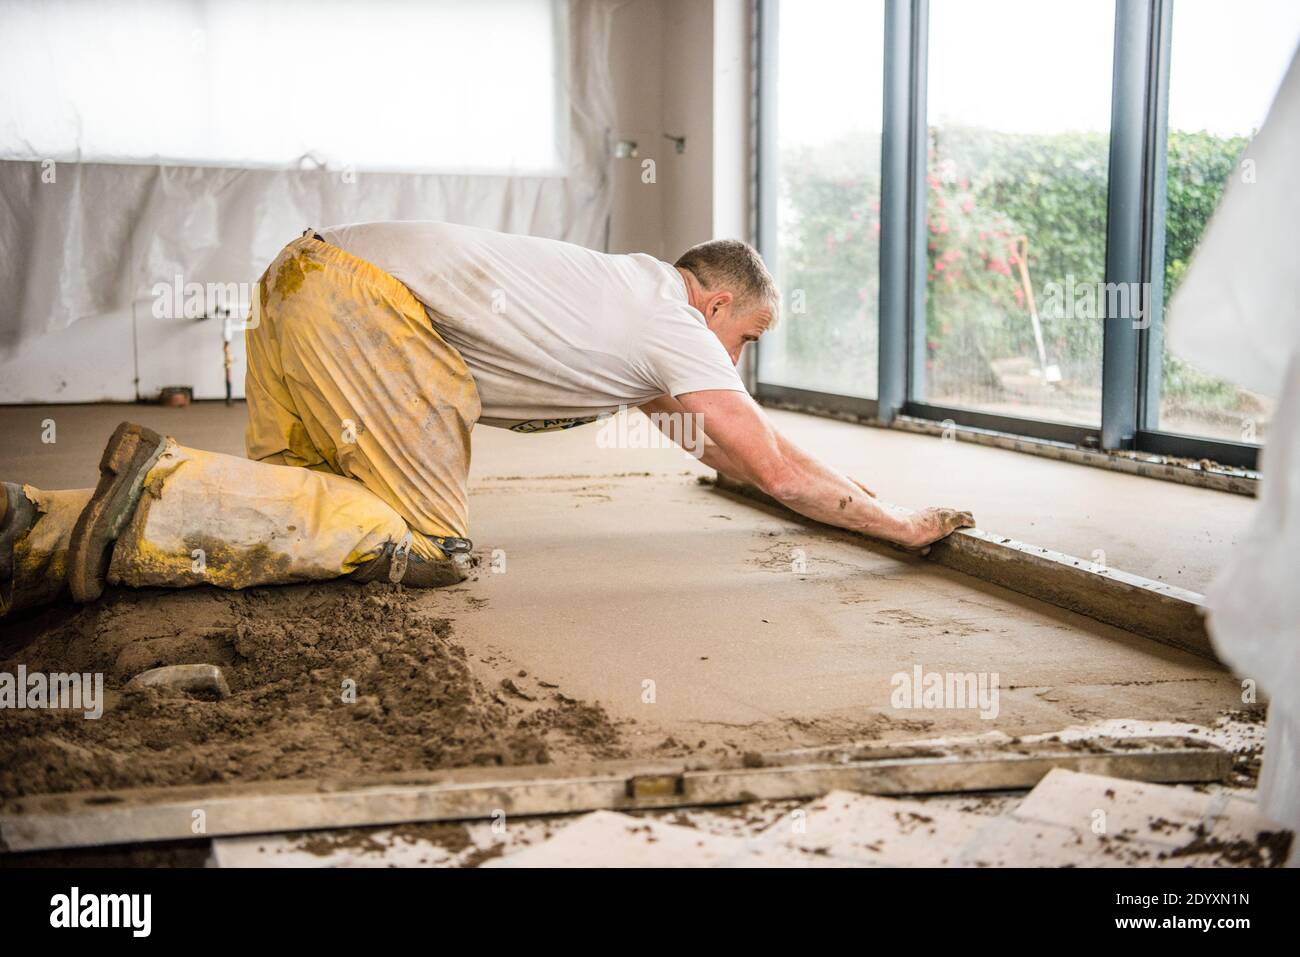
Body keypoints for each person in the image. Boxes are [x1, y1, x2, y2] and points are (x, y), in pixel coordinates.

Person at [0, 223, 973, 617]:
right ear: (714, 305)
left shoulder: (622, 304)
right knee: (423, 540)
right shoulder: (672, 325)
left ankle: (36, 528)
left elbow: (733, 448)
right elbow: (774, 467)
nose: (735, 362)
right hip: (364, 306)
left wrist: (838, 488)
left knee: (316, 510)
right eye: (746, 339)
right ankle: (156, 493)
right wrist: (897, 525)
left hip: (301, 276)